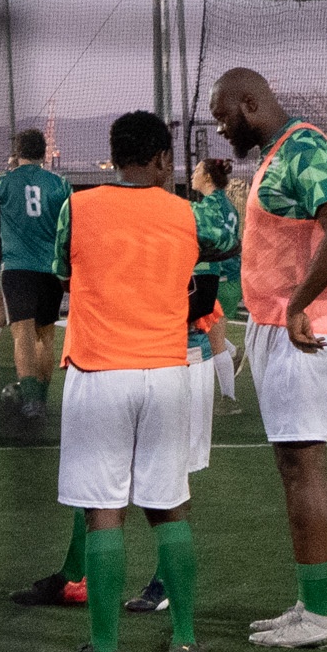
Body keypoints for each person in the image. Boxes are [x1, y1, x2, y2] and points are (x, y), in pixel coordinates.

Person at [49, 110, 237, 652]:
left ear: (114, 156)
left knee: (104, 511)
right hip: (167, 371)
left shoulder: (77, 207)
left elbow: (61, 273)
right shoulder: (186, 213)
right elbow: (227, 241)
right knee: (170, 505)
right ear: (161, 159)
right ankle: (186, 645)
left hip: (100, 370)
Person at [210, 67, 327, 652]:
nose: (221, 129)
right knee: (293, 465)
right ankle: (309, 603)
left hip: (304, 329)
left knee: (304, 463)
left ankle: (321, 617)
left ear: (249, 103)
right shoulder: (278, 154)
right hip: (278, 325)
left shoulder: (303, 146)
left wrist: (298, 304)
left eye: (223, 116)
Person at [126, 165, 243, 615]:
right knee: (138, 477)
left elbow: (202, 293)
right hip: (147, 359)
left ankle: (168, 581)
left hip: (184, 359)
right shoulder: (152, 218)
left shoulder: (189, 218)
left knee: (171, 478)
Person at [0, 129, 74, 419]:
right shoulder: (60, 184)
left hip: (18, 270)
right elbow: (72, 229)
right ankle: (41, 399)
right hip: (51, 271)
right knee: (46, 336)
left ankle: (30, 399)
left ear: (17, 152)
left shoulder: (0, 182)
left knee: (22, 335)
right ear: (44, 153)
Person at [192, 158, 245, 412]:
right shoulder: (227, 205)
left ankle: (229, 400)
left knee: (214, 343)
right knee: (209, 331)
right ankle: (233, 352)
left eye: (197, 170)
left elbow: (206, 242)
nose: (192, 174)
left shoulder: (209, 207)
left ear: (207, 177)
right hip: (230, 278)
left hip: (219, 279)